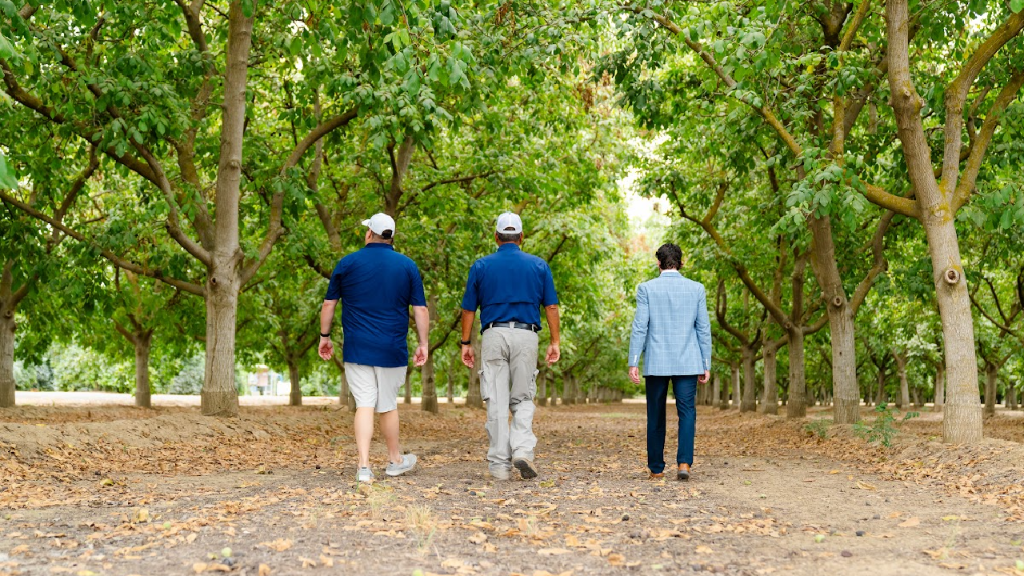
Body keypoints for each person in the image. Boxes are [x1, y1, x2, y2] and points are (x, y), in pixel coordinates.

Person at [319, 213, 429, 483]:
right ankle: (394, 461)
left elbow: (328, 304)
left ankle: (364, 467)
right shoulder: (407, 266)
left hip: (358, 349)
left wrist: (325, 336)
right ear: (392, 236)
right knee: (388, 405)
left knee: (364, 404)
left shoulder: (347, 263)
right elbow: (420, 309)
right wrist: (423, 343)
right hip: (392, 348)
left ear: (369, 233)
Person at [460, 212, 561, 481]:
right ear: (521, 237)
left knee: (496, 399)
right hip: (526, 336)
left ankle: (500, 466)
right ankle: (523, 450)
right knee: (523, 397)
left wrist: (466, 342)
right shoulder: (539, 266)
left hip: (494, 334)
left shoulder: (481, 266)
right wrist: (555, 341)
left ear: (496, 237)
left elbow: (469, 308)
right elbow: (550, 305)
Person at [628, 243, 711, 481]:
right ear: (681, 263)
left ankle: (656, 468)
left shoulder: (646, 289)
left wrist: (634, 360)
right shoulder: (696, 289)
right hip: (688, 360)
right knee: (687, 412)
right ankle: (684, 463)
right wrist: (706, 363)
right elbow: (703, 328)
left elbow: (640, 327)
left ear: (658, 263)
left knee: (655, 413)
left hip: (656, 361)